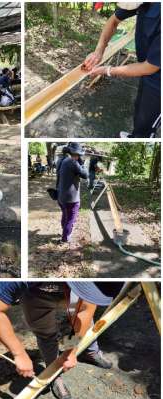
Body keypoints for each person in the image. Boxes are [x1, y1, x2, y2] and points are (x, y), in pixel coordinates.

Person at [0, 282, 121, 399]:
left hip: (74, 287)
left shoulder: (96, 281)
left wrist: (71, 351)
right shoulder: (19, 278)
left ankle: (89, 351)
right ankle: (54, 373)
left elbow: (84, 312)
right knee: (46, 333)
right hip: (35, 292)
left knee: (85, 320)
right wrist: (19, 354)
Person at [83, 3, 160, 138]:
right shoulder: (138, 3)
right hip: (148, 69)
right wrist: (98, 51)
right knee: (140, 109)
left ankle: (142, 137)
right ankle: (135, 135)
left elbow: (149, 67)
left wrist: (108, 70)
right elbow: (113, 21)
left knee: (148, 122)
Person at [56, 143, 88, 243]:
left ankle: (64, 231)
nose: (79, 157)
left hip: (61, 196)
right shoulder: (72, 162)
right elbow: (85, 175)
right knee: (70, 219)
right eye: (79, 155)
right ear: (76, 154)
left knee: (65, 215)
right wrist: (82, 164)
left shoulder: (61, 160)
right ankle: (65, 239)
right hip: (71, 198)